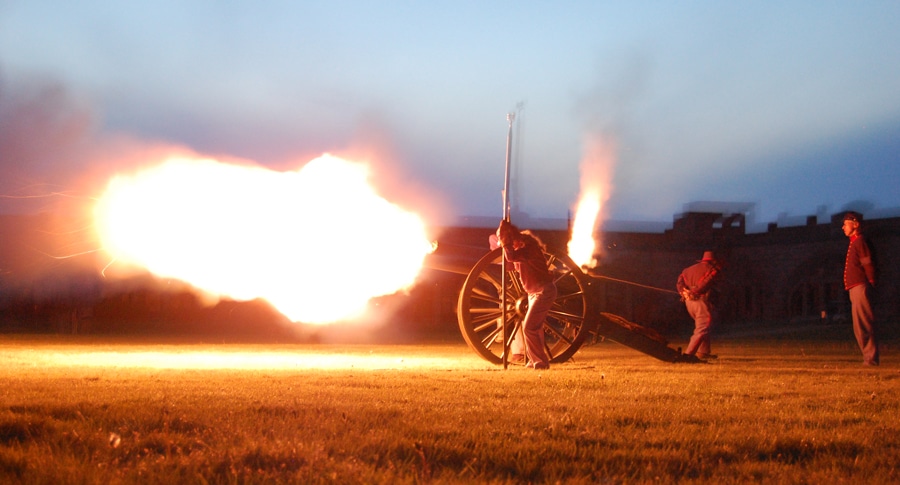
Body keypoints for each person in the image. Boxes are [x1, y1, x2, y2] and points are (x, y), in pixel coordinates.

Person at [494, 219, 557, 369]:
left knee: (529, 327)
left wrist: (504, 241)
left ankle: (540, 363)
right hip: (533, 293)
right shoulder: (524, 250)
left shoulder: (529, 249)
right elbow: (510, 264)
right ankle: (534, 360)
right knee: (535, 328)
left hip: (543, 291)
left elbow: (511, 257)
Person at [842, 211, 879, 366]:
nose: (843, 227)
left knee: (864, 323)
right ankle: (868, 357)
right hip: (855, 287)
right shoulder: (854, 242)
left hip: (860, 286)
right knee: (859, 325)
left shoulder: (860, 241)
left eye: (845, 224)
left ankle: (870, 359)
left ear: (855, 224)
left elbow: (867, 263)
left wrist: (871, 281)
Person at [676, 250, 722, 361]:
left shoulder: (686, 270)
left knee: (703, 326)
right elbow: (706, 282)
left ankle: (703, 352)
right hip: (701, 301)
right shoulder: (713, 270)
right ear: (713, 261)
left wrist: (683, 292)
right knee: (703, 327)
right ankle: (688, 355)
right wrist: (694, 292)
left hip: (689, 303)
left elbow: (679, 282)